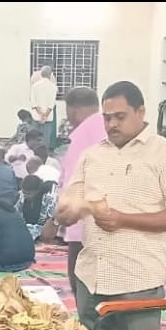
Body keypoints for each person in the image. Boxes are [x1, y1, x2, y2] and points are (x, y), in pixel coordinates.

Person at [55, 81, 166, 330]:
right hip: (91, 277)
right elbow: (69, 205)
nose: (112, 124)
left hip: (137, 280)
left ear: (140, 112)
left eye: (120, 117)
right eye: (107, 118)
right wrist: (65, 213)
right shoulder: (92, 155)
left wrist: (124, 220)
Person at [57, 86, 107, 317]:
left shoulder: (83, 135)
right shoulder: (109, 128)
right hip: (109, 221)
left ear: (73, 110)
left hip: (82, 224)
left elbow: (72, 183)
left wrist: (57, 220)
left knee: (81, 283)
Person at [20, 175, 57, 242]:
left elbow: (51, 219)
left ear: (37, 191)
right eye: (24, 193)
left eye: (28, 194)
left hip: (45, 230)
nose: (25, 196)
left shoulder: (49, 198)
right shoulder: (21, 196)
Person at [31, 66, 59, 148]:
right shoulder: (53, 87)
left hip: (36, 116)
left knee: (35, 138)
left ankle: (34, 153)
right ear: (50, 75)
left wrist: (40, 113)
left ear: (41, 74)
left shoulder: (35, 86)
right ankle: (44, 153)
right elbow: (51, 103)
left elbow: (33, 102)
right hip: (48, 117)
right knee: (45, 139)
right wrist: (45, 115)